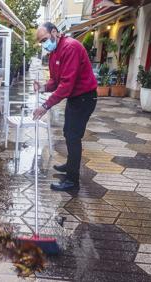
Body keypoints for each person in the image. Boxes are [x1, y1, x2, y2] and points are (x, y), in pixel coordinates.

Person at [33, 22, 97, 191]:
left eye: (45, 39)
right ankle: (70, 167)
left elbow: (66, 85)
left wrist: (45, 105)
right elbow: (56, 80)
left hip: (84, 97)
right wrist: (43, 87)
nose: (44, 44)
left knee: (73, 137)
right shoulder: (54, 53)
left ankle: (72, 181)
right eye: (41, 42)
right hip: (75, 98)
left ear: (55, 32)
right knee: (68, 133)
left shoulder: (70, 47)